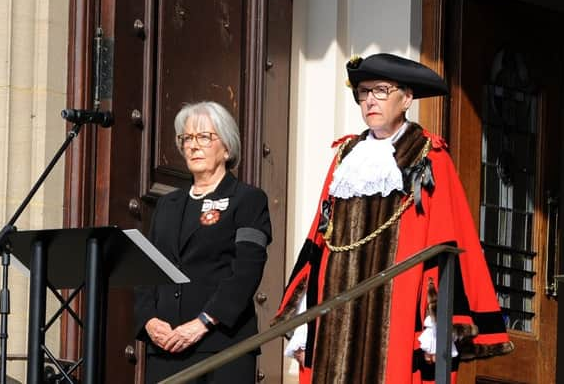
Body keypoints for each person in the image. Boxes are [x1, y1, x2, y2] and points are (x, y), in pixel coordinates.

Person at [273, 53, 514, 384]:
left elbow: (444, 242)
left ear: (407, 98)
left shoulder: (429, 156)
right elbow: (319, 240)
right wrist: (303, 325)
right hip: (335, 315)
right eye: (364, 91)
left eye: (382, 90)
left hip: (397, 314)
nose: (370, 100)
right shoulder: (346, 157)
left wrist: (437, 328)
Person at [134, 101, 272, 383]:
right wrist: (148, 321)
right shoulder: (167, 204)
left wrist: (202, 323)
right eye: (187, 138)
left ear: (227, 147)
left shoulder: (248, 199)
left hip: (221, 346)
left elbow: (246, 272)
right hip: (165, 347)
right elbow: (146, 268)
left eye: (205, 137)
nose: (193, 146)